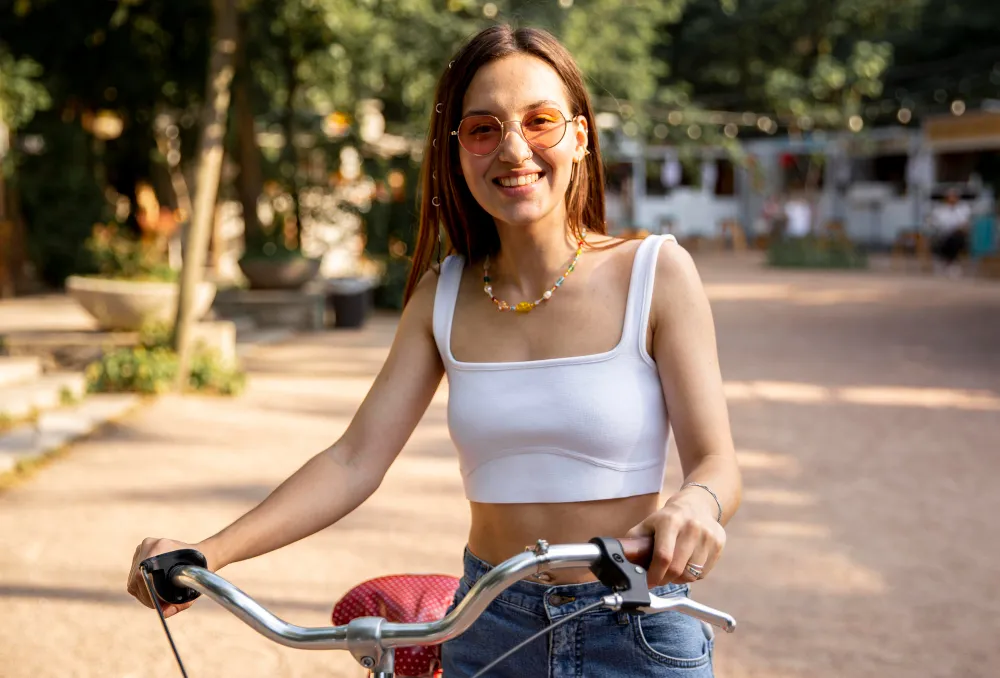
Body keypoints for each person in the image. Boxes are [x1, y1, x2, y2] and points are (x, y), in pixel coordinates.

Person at [126, 25, 742, 677]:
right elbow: (353, 459)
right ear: (457, 152)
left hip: (634, 626)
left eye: (540, 121)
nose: (513, 149)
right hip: (487, 626)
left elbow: (716, 462)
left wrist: (695, 504)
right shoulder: (441, 295)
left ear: (580, 137)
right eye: (483, 129)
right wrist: (209, 553)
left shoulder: (657, 273)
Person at [929, 188, 971, 275]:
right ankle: (948, 262)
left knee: (956, 238)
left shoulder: (963, 209)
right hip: (942, 235)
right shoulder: (939, 210)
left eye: (954, 196)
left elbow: (964, 225)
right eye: (950, 196)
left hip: (956, 236)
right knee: (940, 240)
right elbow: (935, 224)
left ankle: (950, 262)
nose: (952, 198)